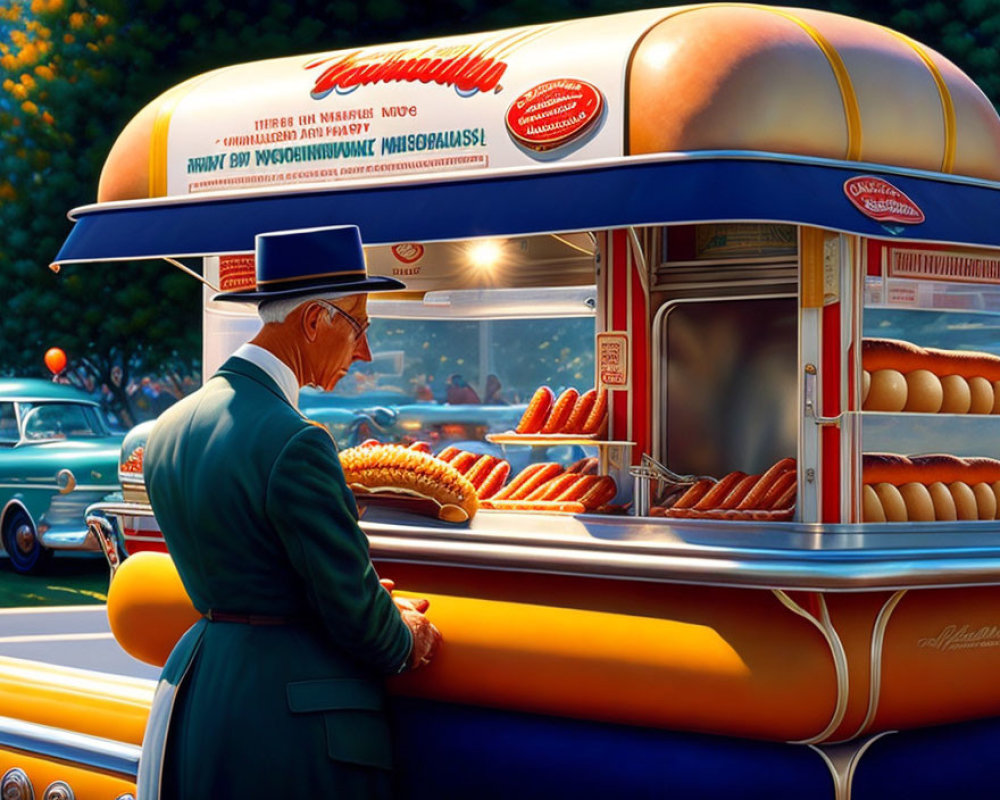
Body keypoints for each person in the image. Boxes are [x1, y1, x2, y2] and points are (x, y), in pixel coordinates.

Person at [139, 225, 441, 800]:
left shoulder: (168, 427)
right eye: (360, 327)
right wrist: (405, 633)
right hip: (289, 724)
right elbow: (354, 612)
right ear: (313, 321)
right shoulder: (296, 439)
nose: (366, 351)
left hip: (200, 696)